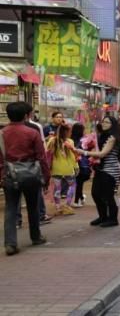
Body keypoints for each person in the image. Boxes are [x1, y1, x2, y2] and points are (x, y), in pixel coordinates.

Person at [1, 102, 51, 256]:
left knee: (11, 208)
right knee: (33, 206)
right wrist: (46, 177)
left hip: (9, 174)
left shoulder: (2, 133)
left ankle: (10, 243)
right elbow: (41, 157)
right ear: (25, 115)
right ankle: (35, 236)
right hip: (30, 174)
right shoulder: (32, 133)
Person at [77, 116, 120, 227]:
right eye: (103, 122)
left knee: (108, 195)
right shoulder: (101, 136)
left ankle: (113, 219)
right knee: (95, 193)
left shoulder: (112, 138)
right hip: (100, 169)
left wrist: (84, 152)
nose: (104, 124)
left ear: (113, 125)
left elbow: (103, 154)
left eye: (107, 122)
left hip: (110, 171)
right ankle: (103, 216)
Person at [46, 124, 78, 216]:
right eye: (70, 131)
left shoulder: (52, 141)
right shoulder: (70, 142)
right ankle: (67, 205)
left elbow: (47, 154)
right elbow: (73, 156)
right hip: (68, 168)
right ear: (67, 132)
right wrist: (76, 167)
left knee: (57, 188)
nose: (71, 133)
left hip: (56, 168)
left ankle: (58, 207)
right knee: (72, 186)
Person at [71, 123, 89, 207]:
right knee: (79, 183)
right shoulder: (83, 140)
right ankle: (76, 201)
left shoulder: (70, 140)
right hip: (82, 164)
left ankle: (81, 197)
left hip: (72, 163)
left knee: (78, 182)